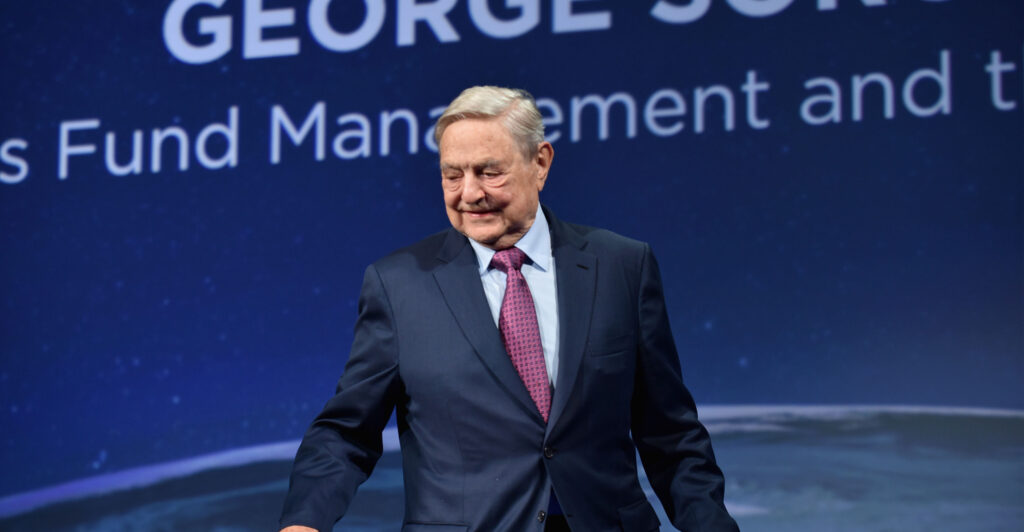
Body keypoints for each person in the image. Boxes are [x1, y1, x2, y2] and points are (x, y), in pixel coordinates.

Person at [279, 86, 738, 532]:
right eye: (452, 174)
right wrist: (304, 522)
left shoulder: (621, 266)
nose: (469, 193)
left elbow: (670, 434)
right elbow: (345, 432)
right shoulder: (399, 285)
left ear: (540, 163)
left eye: (489, 171)